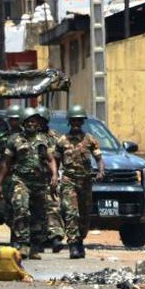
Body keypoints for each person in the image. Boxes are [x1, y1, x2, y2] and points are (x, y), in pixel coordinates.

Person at [0, 107, 58, 260]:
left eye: (34, 121)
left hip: (39, 183)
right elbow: (6, 163)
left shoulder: (44, 140)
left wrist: (55, 176)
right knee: (21, 209)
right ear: (23, 123)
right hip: (21, 181)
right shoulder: (15, 140)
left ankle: (35, 247)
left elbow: (51, 160)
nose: (32, 124)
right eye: (29, 121)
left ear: (38, 124)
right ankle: (23, 244)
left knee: (39, 216)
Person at [55, 105, 104, 259]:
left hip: (86, 182)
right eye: (74, 121)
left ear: (82, 122)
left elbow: (98, 158)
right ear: (69, 122)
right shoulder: (62, 141)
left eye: (79, 121)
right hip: (69, 180)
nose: (76, 123)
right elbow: (55, 160)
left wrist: (101, 170)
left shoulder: (89, 139)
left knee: (84, 214)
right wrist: (54, 175)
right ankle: (73, 244)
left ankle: (80, 239)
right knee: (71, 213)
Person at [0, 105, 23, 245]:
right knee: (9, 212)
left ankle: (20, 240)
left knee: (20, 208)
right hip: (7, 177)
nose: (13, 122)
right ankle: (14, 236)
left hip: (23, 178)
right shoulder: (3, 138)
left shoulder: (26, 136)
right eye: (11, 120)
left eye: (16, 119)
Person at [36, 104, 65, 253]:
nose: (39, 122)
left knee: (53, 206)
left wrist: (57, 175)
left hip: (50, 178)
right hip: (32, 178)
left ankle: (55, 238)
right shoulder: (29, 137)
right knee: (37, 209)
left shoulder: (56, 138)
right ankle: (39, 239)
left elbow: (62, 157)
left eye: (42, 119)